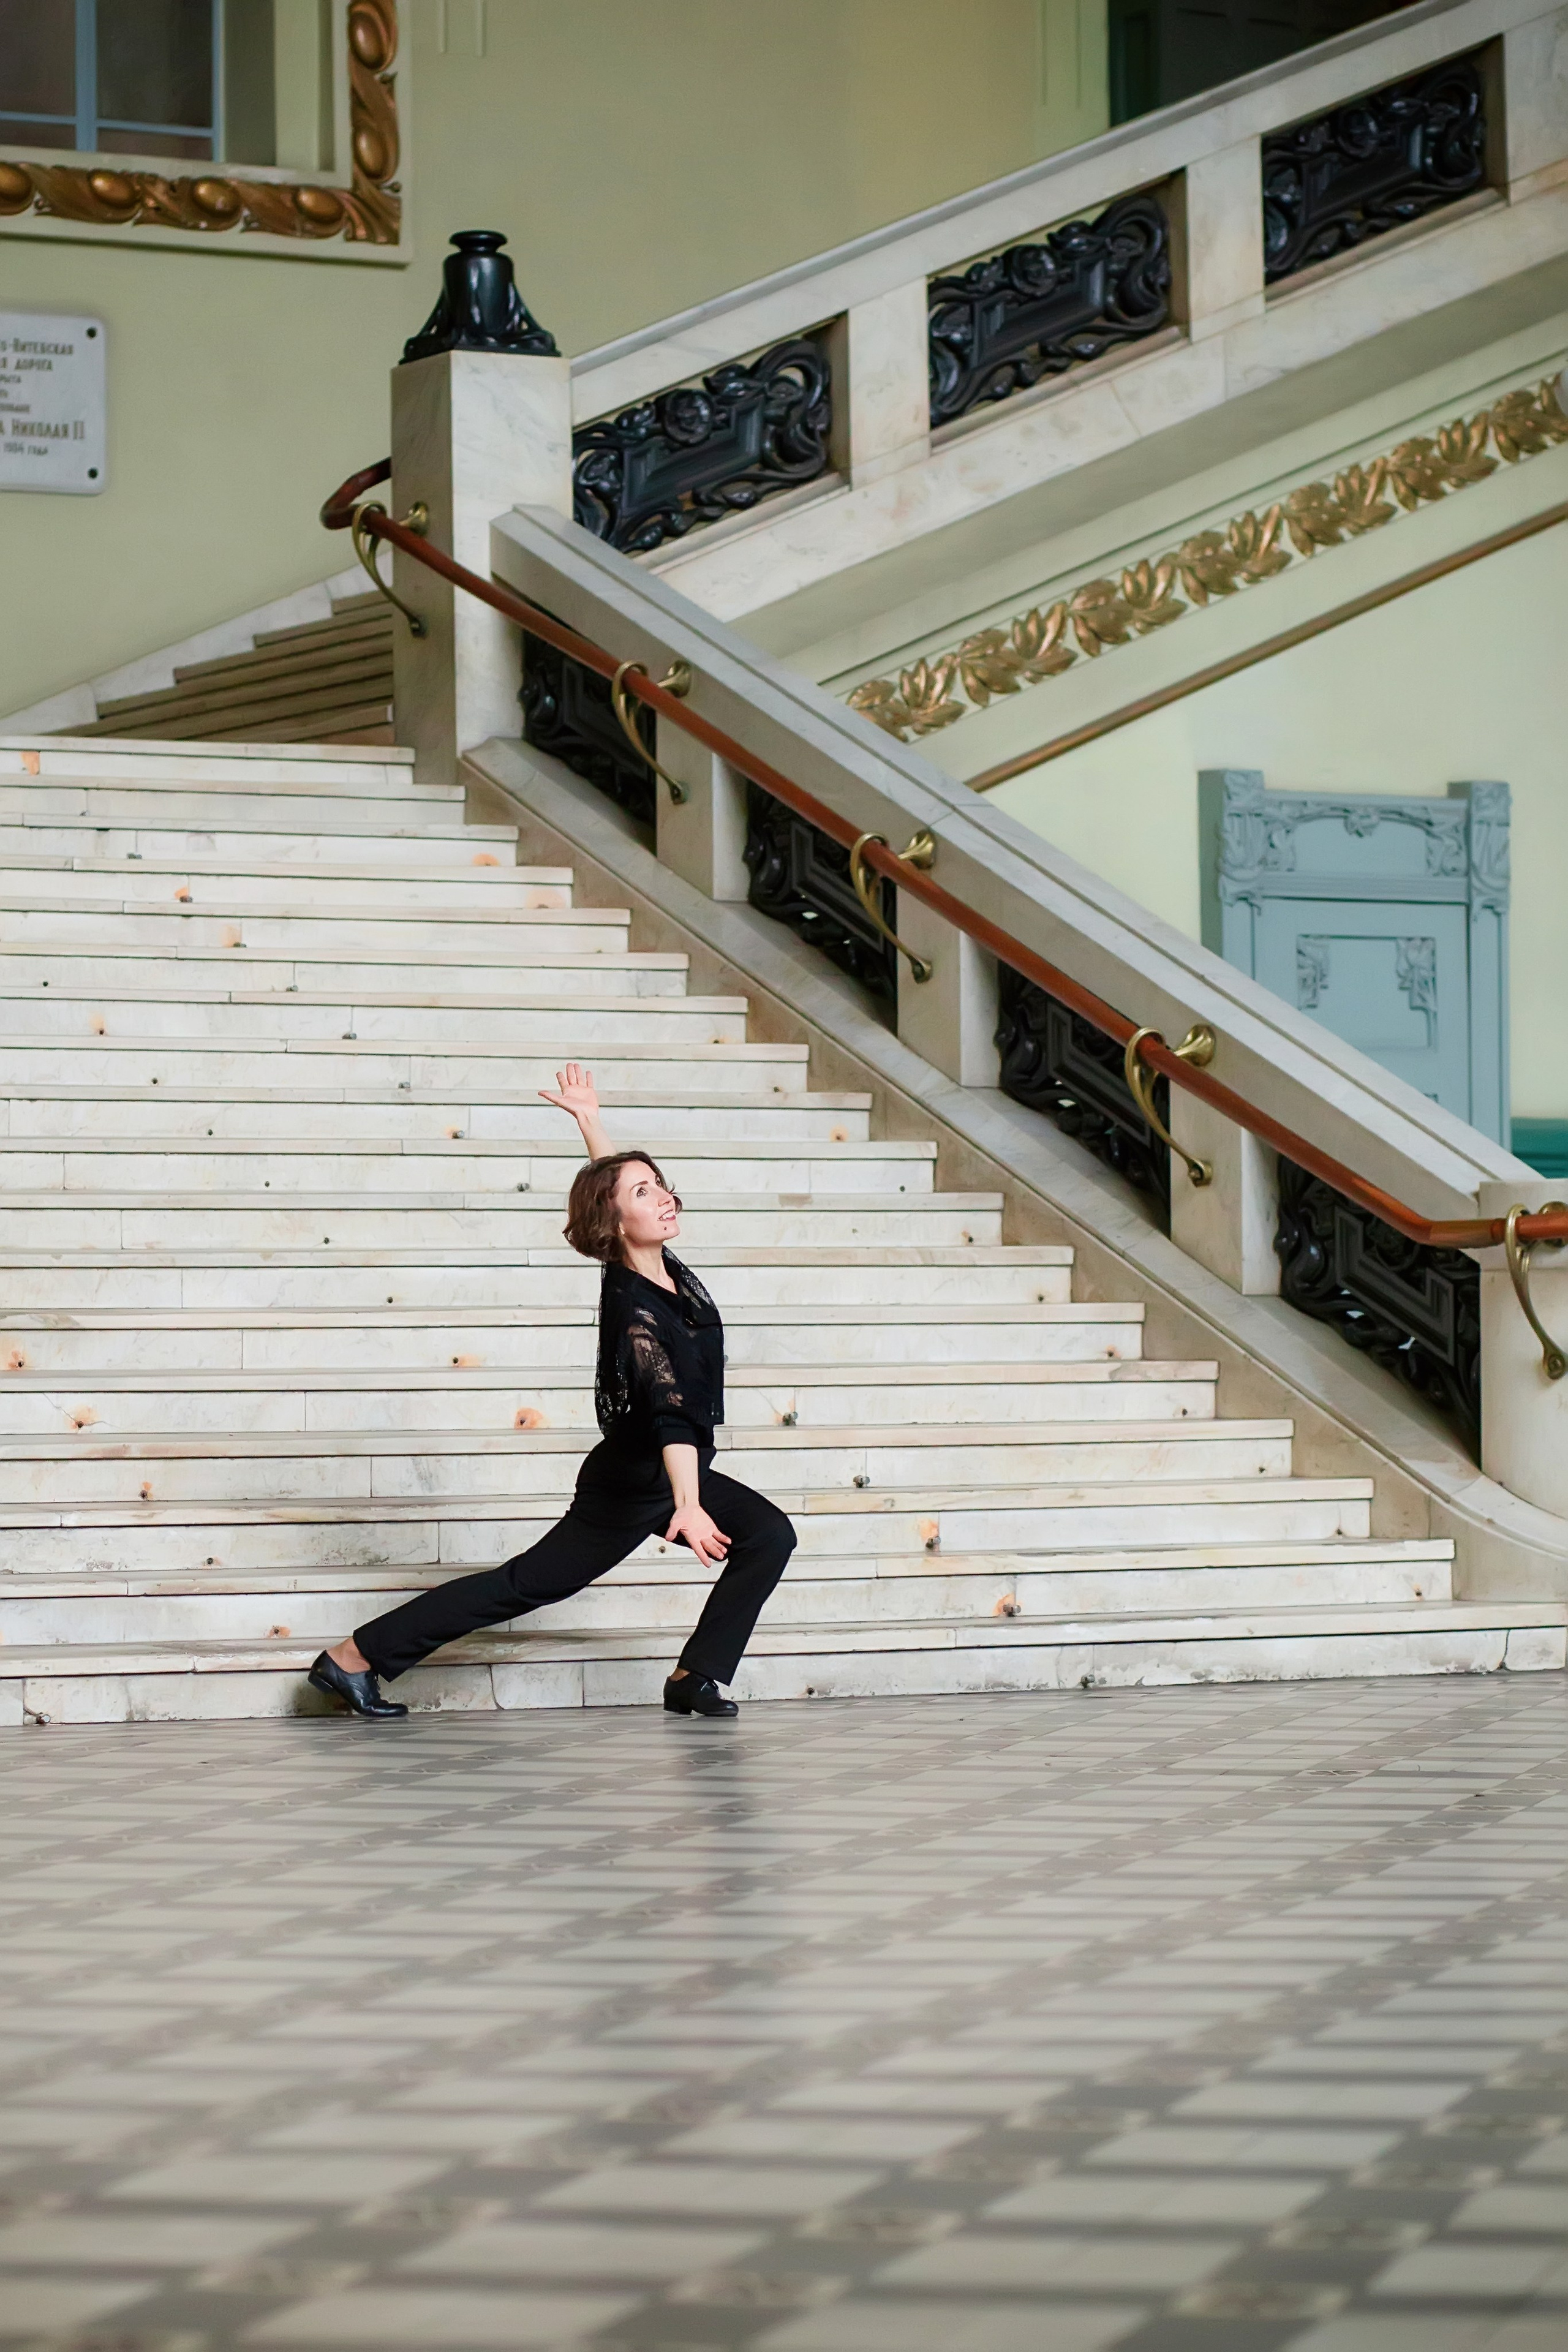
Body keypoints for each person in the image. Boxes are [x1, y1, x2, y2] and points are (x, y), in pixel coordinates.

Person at [308, 1063, 796, 1722]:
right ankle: (354, 1659)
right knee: (528, 1585)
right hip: (635, 1479)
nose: (664, 1199)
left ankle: (696, 1676)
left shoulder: (658, 1269)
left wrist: (589, 1122)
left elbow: (611, 1189)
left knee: (767, 1534)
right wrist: (688, 1503)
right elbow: (670, 1416)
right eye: (645, 1193)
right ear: (618, 1220)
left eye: (661, 1186)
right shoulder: (637, 1311)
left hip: (663, 1470)